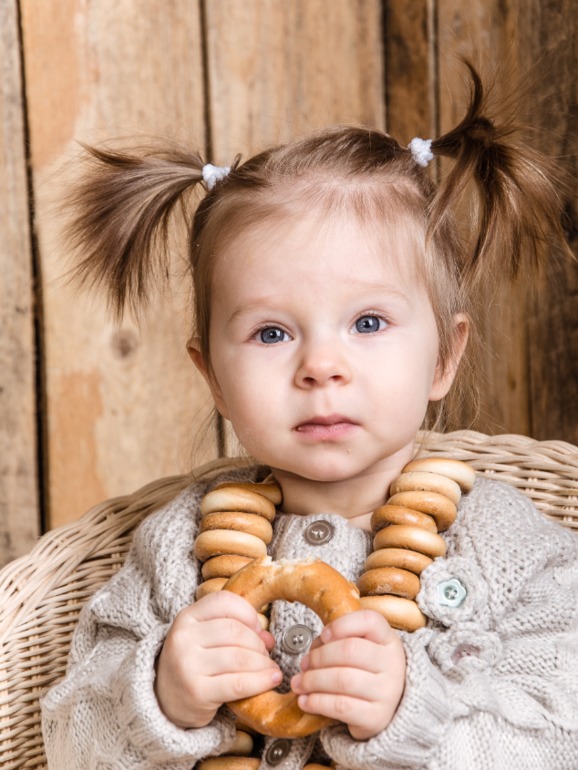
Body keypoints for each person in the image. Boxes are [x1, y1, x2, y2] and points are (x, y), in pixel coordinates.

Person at [41, 64, 578, 769]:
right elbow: (66, 743)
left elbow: (559, 737)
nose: (320, 365)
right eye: (271, 334)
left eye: (368, 321)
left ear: (444, 357)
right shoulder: (176, 550)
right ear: (216, 382)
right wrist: (159, 697)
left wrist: (409, 712)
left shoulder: (514, 552)